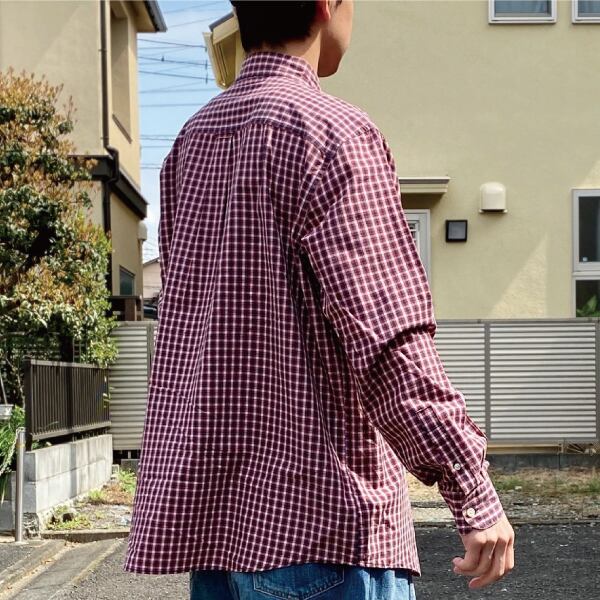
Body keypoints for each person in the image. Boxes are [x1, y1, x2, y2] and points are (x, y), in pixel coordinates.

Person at [124, 1, 515, 598]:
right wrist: (472, 490)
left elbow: (186, 330)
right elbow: (387, 335)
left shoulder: (191, 145)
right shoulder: (333, 134)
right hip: (325, 533)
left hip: (219, 539)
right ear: (328, 5)